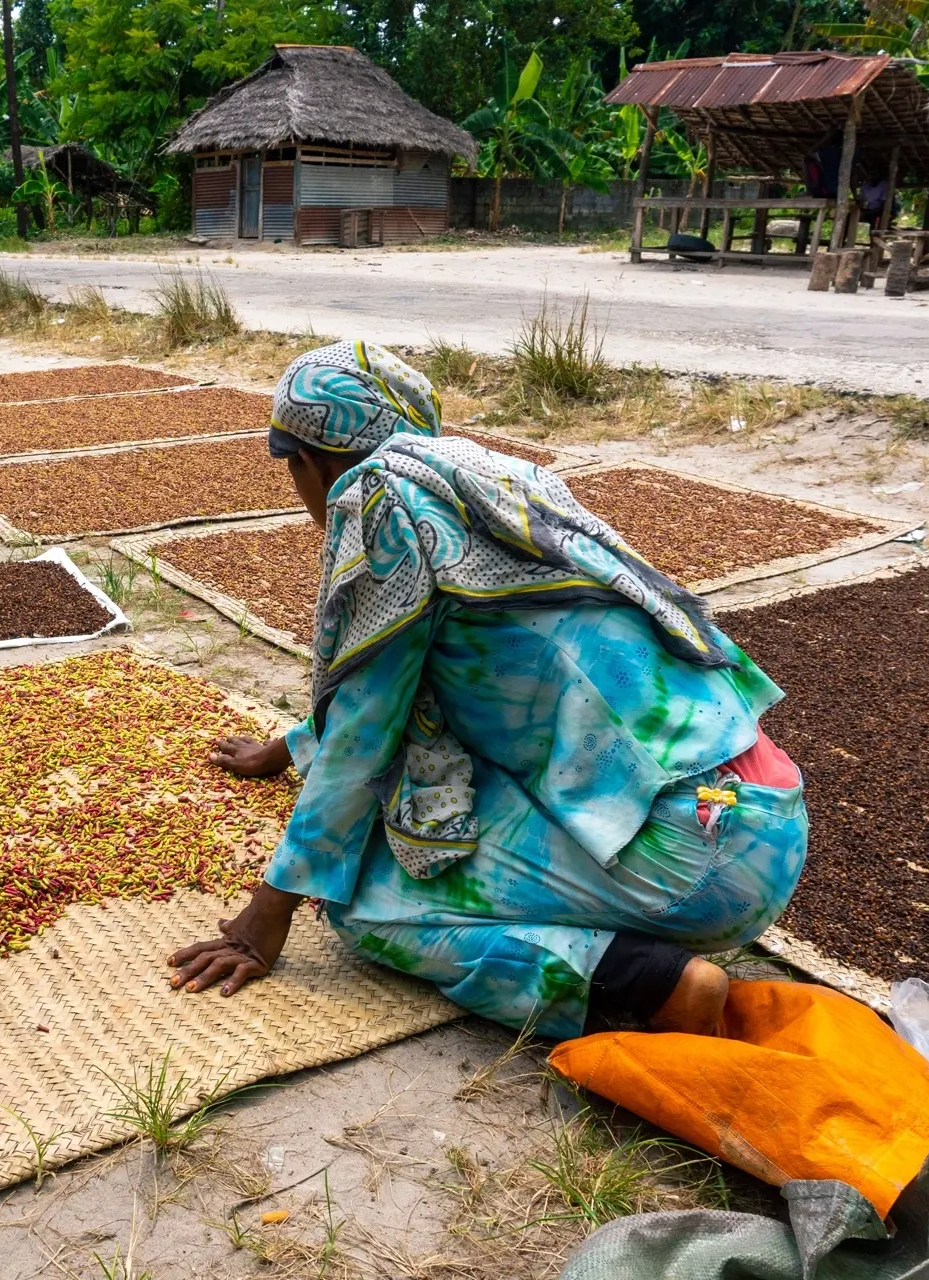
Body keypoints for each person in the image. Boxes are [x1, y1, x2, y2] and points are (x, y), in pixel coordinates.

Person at [168, 341, 808, 1039]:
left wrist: (272, 910)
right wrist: (288, 748)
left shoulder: (379, 505)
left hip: (693, 862)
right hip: (761, 812)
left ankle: (645, 988)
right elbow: (414, 679)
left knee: (363, 900)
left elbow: (365, 730)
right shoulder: (477, 476)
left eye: (292, 469)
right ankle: (643, 948)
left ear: (310, 461)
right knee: (426, 814)